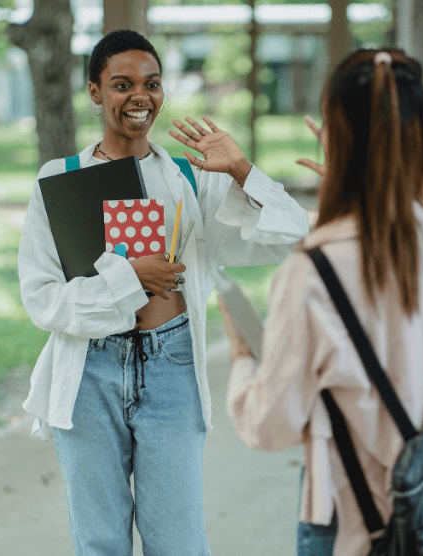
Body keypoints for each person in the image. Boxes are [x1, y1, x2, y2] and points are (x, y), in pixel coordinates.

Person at [17, 30, 309, 556]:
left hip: (171, 367)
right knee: (99, 542)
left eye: (151, 84)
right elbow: (44, 300)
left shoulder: (189, 179)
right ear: (94, 91)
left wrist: (242, 170)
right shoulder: (60, 181)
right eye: (122, 84)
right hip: (88, 372)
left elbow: (293, 237)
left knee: (178, 543)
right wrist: (132, 279)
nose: (139, 97)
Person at [223, 49, 423, 556]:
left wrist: (243, 360)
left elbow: (272, 426)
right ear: (419, 137)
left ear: (336, 139)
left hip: (350, 525)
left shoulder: (311, 273)